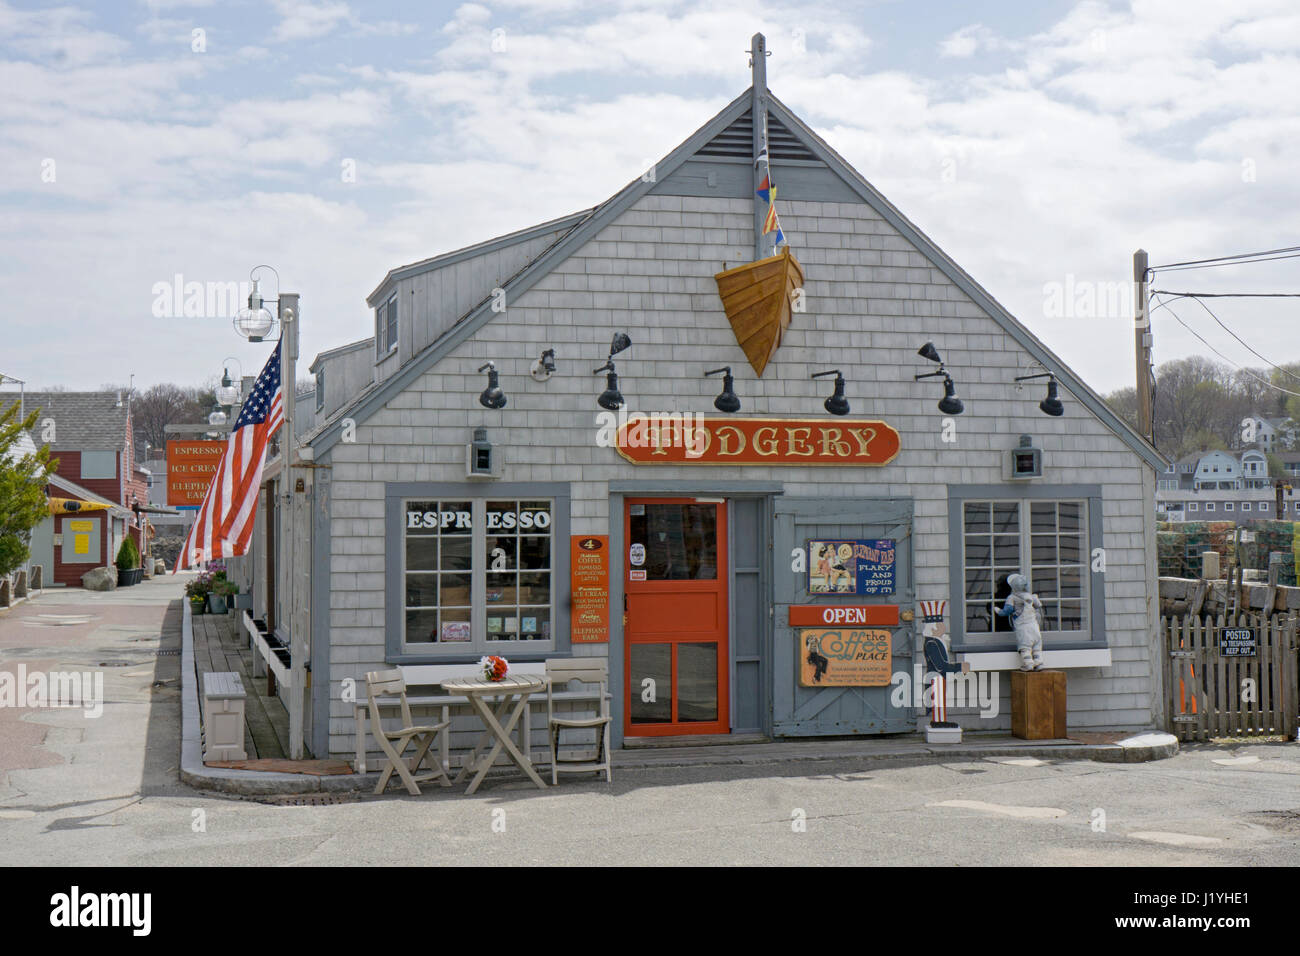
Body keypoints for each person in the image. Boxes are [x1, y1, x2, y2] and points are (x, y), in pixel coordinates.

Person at [995, 573, 1044, 670]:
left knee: (1025, 646)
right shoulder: (1031, 596)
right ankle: (1039, 662)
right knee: (1037, 646)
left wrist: (997, 610)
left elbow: (1007, 611)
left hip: (1023, 626)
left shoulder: (1012, 597)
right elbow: (1039, 606)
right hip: (1034, 625)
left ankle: (1028, 663)